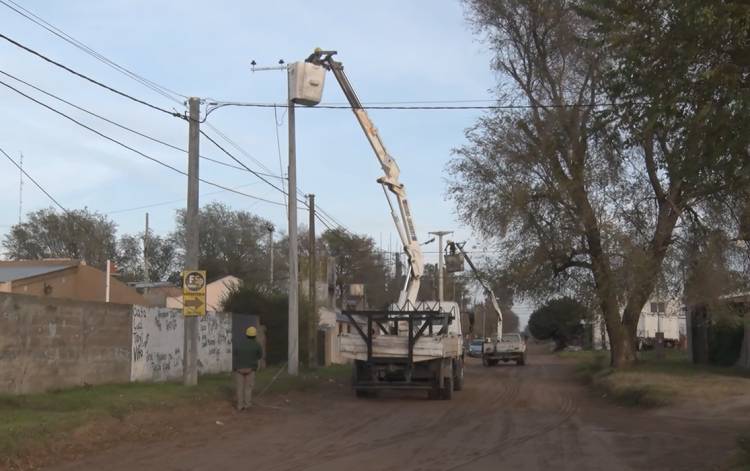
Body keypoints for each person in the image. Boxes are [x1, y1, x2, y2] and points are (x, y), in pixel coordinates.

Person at [234, 326, 263, 410]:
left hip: (239, 369)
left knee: (239, 388)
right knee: (248, 388)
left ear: (246, 335)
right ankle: (247, 404)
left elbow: (235, 353)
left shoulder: (240, 343)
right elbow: (260, 356)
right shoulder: (257, 345)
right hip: (250, 369)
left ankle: (240, 405)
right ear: (255, 335)